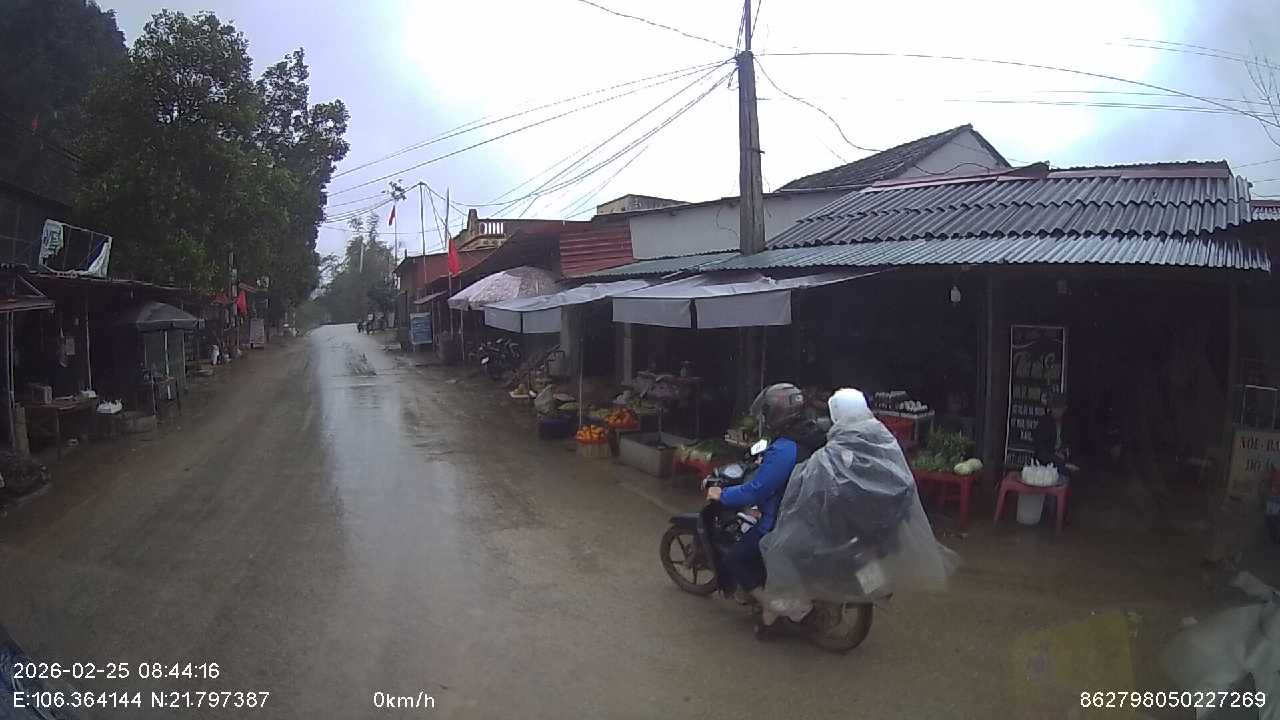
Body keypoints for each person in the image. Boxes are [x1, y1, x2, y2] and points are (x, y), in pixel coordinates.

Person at [705, 383, 825, 607]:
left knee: (734, 559)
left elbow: (757, 490)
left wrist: (723, 495)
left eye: (768, 411)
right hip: (807, 514)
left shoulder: (785, 448)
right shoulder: (811, 434)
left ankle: (771, 608)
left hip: (781, 521)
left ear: (779, 413)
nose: (765, 416)